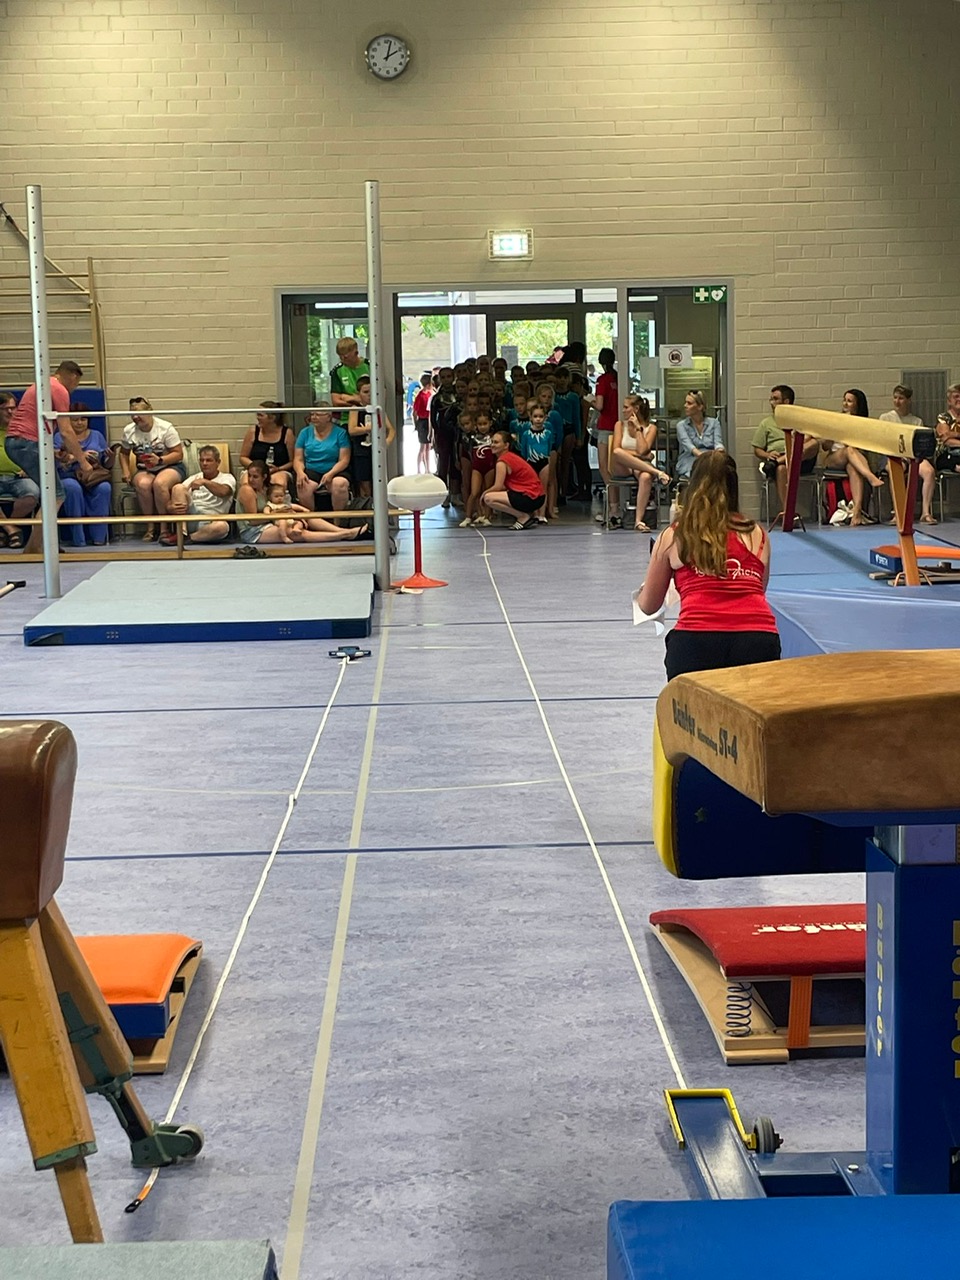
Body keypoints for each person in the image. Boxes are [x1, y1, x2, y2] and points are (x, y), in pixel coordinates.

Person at [637, 452, 780, 681]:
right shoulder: (756, 533)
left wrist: (647, 589)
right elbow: (758, 590)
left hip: (697, 640)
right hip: (757, 638)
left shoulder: (675, 535)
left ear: (693, 486)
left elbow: (648, 605)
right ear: (734, 488)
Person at [4, 360, 93, 555]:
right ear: (73, 376)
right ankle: (35, 547)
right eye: (76, 384)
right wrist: (83, 462)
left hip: (20, 442)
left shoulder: (41, 384)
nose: (74, 388)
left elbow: (44, 426)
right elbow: (66, 430)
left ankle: (36, 545)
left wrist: (59, 452)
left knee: (51, 493)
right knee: (56, 495)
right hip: (26, 443)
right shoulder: (59, 389)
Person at [118, 396, 186, 541]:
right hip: (145, 469)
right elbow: (123, 453)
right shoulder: (129, 431)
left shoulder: (165, 428)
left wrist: (160, 460)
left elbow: (178, 454)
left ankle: (164, 528)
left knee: (160, 483)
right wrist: (125, 471)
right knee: (143, 484)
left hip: (169, 465)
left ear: (149, 412)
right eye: (132, 414)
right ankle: (150, 527)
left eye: (139, 414)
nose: (135, 418)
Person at [53, 403, 115, 548]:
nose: (80, 423)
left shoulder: (97, 435)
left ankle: (99, 537)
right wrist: (80, 456)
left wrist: (112, 457)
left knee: (104, 488)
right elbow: (57, 461)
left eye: (83, 419)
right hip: (68, 475)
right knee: (72, 488)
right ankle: (78, 539)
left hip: (93, 476)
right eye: (75, 420)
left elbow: (107, 465)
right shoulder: (59, 436)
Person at [751, 384, 820, 512]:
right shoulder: (766, 423)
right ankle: (788, 512)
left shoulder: (799, 420)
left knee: (814, 443)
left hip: (801, 460)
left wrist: (795, 443)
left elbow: (809, 437)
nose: (771, 403)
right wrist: (767, 455)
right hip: (780, 462)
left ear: (786, 401)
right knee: (781, 469)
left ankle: (779, 461)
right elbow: (757, 449)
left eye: (775, 399)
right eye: (771, 399)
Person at [821, 389, 883, 526]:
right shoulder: (836, 419)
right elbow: (825, 446)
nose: (845, 403)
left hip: (854, 459)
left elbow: (866, 448)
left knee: (853, 468)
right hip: (834, 458)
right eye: (844, 400)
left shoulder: (863, 423)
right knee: (849, 450)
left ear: (857, 405)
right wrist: (833, 432)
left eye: (849, 401)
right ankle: (869, 476)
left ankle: (857, 511)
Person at [610, 396, 671, 531]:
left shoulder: (651, 428)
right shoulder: (619, 425)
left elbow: (643, 449)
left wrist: (638, 429)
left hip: (640, 467)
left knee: (646, 477)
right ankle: (657, 472)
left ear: (636, 409)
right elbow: (616, 450)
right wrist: (643, 456)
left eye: (626, 407)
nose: (623, 410)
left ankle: (638, 521)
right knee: (618, 453)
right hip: (622, 466)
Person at [878, 385, 934, 524]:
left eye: (901, 398)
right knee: (897, 469)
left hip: (913, 456)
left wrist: (911, 456)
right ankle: (898, 513)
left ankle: (925, 512)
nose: (897, 401)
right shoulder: (885, 418)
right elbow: (883, 441)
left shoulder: (916, 421)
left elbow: (919, 444)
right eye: (895, 398)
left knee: (929, 471)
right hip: (892, 455)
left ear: (908, 400)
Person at [167, 445, 236, 544]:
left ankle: (188, 538)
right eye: (202, 460)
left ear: (218, 462)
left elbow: (224, 492)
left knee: (222, 527)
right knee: (178, 487)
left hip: (211, 521)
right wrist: (170, 507)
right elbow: (176, 494)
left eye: (209, 460)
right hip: (190, 518)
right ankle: (182, 532)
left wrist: (205, 482)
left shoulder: (227, 478)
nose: (204, 463)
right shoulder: (193, 478)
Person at [481, 429, 546, 529]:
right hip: (537, 497)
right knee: (493, 496)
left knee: (488, 498)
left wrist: (483, 494)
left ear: (506, 445)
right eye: (492, 442)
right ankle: (526, 515)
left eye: (496, 442)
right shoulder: (511, 457)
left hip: (530, 497)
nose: (492, 445)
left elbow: (498, 486)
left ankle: (522, 516)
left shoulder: (502, 462)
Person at [0, 391, 39, 549]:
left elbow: (36, 452)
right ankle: (12, 531)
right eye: (5, 409)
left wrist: (28, 467)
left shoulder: (24, 430)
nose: (11, 412)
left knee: (33, 493)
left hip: (19, 478)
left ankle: (5, 528)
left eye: (13, 408)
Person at [345, 376, 395, 499]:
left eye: (371, 392)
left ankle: (376, 501)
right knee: (363, 481)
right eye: (365, 392)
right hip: (361, 451)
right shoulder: (356, 408)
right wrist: (368, 429)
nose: (369, 395)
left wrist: (387, 442)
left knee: (377, 479)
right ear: (358, 394)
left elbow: (391, 429)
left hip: (376, 450)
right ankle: (367, 503)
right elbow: (352, 429)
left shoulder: (378, 409)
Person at [294, 406, 351, 511]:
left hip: (335, 469)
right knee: (303, 485)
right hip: (312, 469)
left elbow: (344, 460)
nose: (314, 417)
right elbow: (298, 459)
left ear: (328, 417)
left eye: (318, 414)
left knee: (339, 484)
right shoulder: (304, 433)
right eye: (312, 414)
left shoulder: (340, 433)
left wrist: (331, 473)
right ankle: (311, 518)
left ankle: (338, 519)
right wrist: (300, 473)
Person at [238, 402, 296, 491]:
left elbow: (292, 461)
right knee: (247, 485)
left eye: (260, 415)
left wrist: (278, 469)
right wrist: (258, 468)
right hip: (254, 470)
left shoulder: (287, 434)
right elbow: (243, 457)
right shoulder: (253, 431)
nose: (257, 418)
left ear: (272, 418)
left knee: (278, 483)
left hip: (279, 470)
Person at [593, 348, 618, 516]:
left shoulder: (602, 380)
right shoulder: (618, 378)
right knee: (615, 468)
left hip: (606, 427)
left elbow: (600, 405)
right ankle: (616, 506)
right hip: (619, 427)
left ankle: (613, 507)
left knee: (604, 468)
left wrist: (590, 401)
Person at [675, 391, 723, 479]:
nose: (685, 405)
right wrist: (705, 459)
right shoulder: (681, 425)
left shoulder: (714, 423)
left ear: (700, 407)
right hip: (690, 458)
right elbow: (690, 447)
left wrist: (720, 453)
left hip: (711, 457)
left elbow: (718, 443)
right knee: (700, 469)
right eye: (685, 402)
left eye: (689, 403)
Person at [329, 337, 369, 408]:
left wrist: (350, 398)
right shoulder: (337, 370)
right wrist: (357, 403)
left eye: (345, 357)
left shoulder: (369, 366)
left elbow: (378, 394)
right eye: (340, 356)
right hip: (348, 413)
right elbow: (336, 401)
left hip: (369, 410)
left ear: (356, 353)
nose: (342, 359)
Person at [412, 373, 433, 474]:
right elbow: (414, 412)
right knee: (422, 447)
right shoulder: (420, 396)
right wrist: (416, 425)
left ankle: (427, 468)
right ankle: (418, 468)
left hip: (428, 421)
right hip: (422, 421)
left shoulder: (429, 394)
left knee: (427, 447)